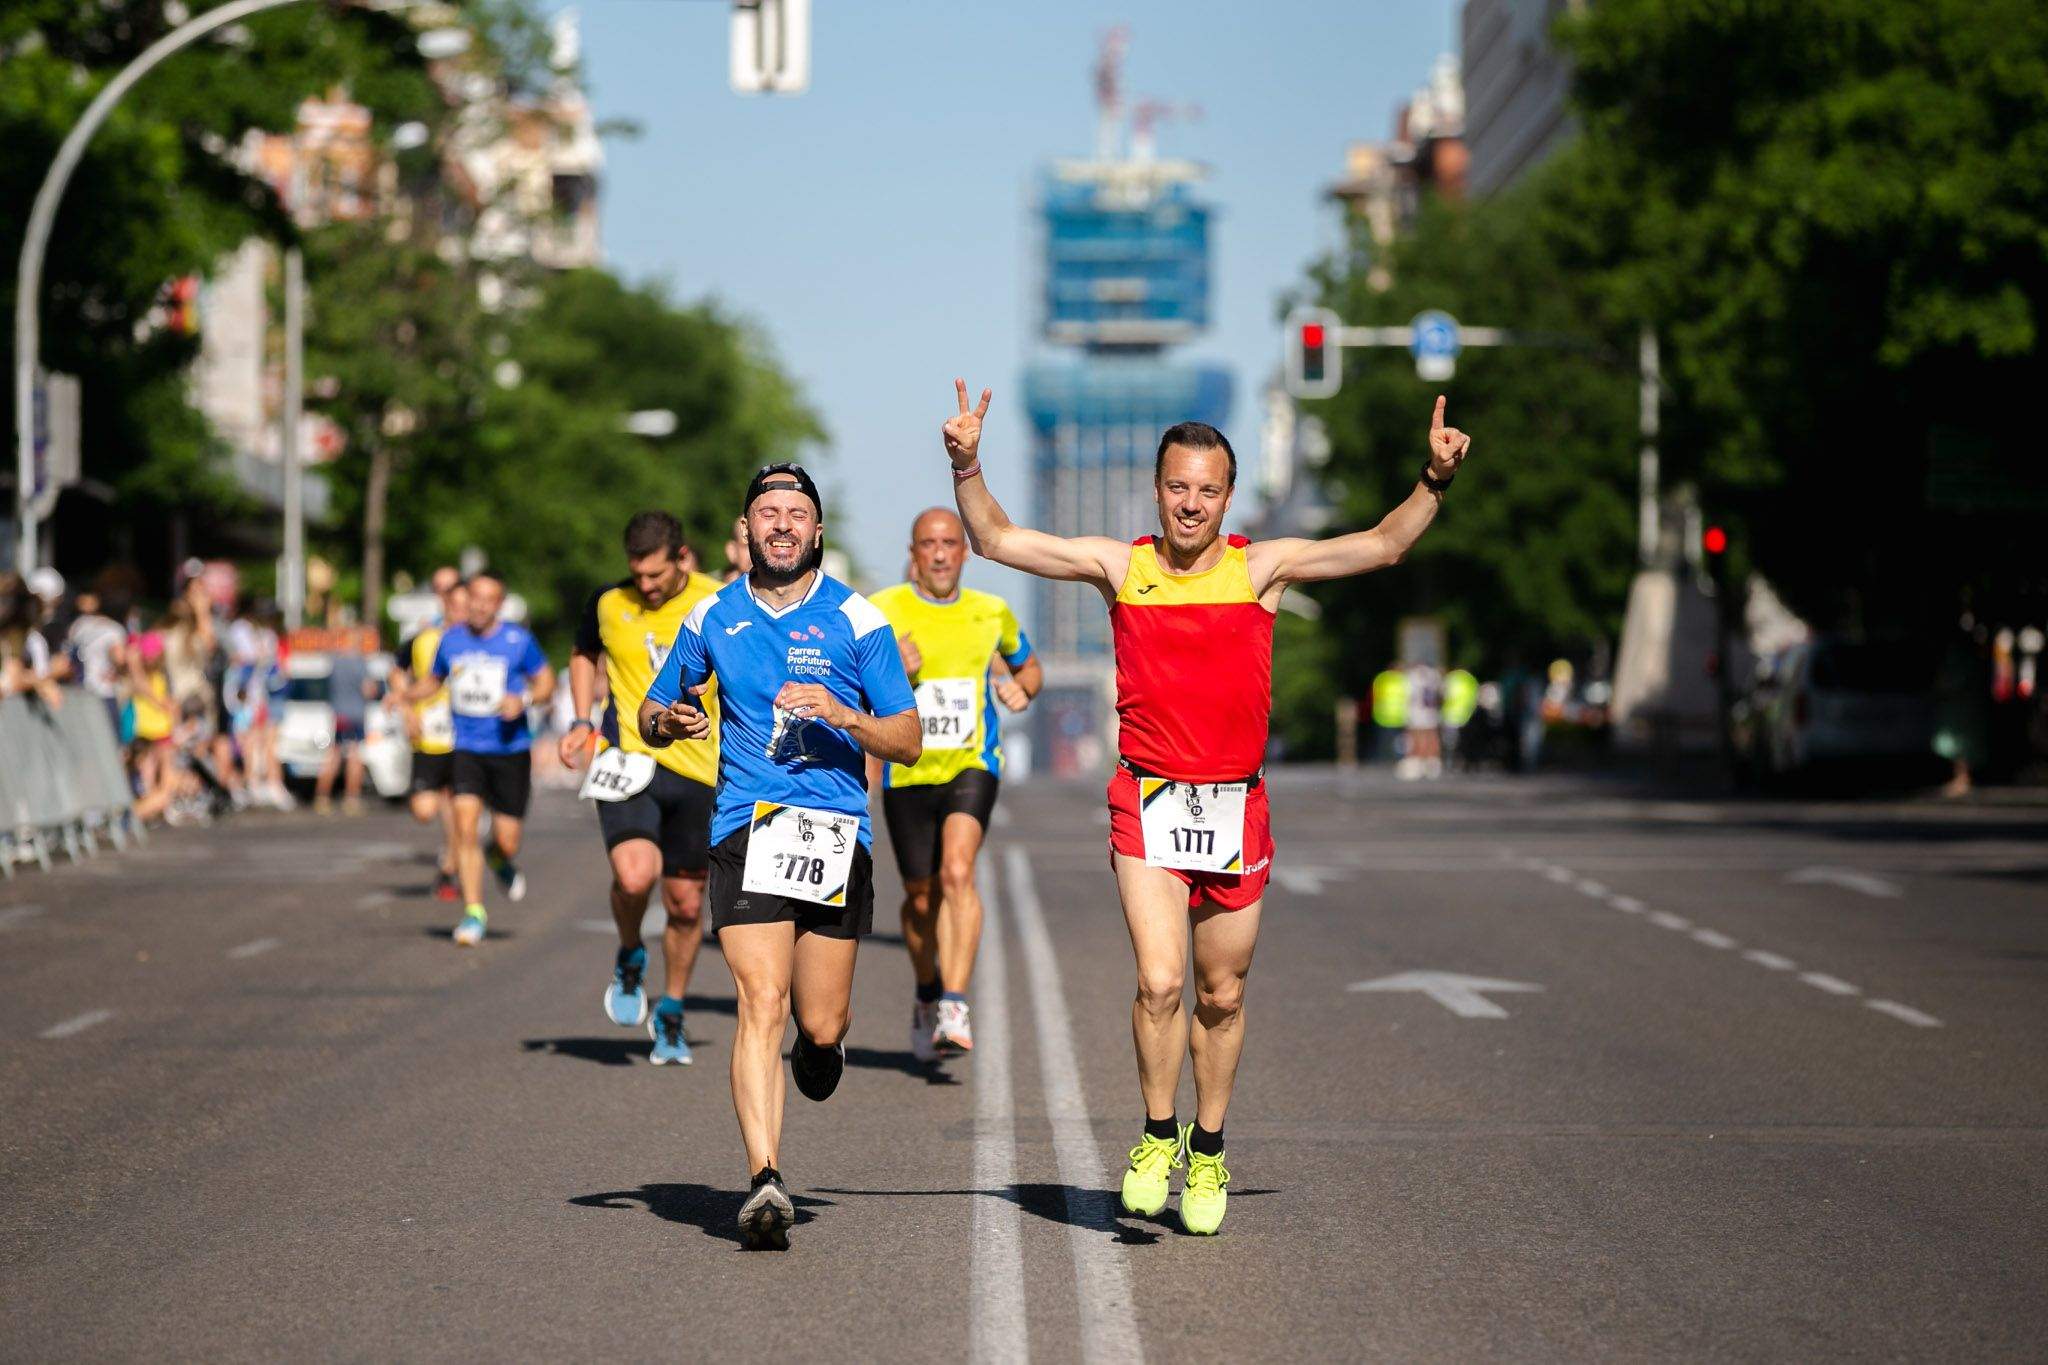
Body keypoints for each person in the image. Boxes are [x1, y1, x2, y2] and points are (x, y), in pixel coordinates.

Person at [941, 378, 1471, 1235]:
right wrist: (967, 463)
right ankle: (1157, 1135)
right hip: (1147, 800)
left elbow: (1381, 545)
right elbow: (997, 538)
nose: (1192, 504)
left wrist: (1433, 481)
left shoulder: (1260, 569)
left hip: (1235, 806)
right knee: (1160, 980)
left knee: (1220, 994)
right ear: (1157, 490)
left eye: (1209, 490)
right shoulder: (1123, 567)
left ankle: (1211, 1146)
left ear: (1228, 496)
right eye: (1178, 487)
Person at [638, 463, 920, 1249]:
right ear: (746, 530)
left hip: (835, 831)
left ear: (817, 530)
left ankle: (823, 1045)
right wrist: (671, 721)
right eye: (768, 512)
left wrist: (842, 712)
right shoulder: (711, 616)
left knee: (818, 1020)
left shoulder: (857, 619)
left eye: (797, 512)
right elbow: (652, 709)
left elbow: (908, 733)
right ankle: (764, 1177)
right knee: (759, 998)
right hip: (745, 824)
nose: (783, 524)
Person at [869, 507, 1040, 1060]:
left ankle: (955, 1001)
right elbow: (842, 679)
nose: (940, 553)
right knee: (921, 900)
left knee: (958, 871)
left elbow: (1029, 666)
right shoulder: (881, 611)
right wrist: (890, 667)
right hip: (908, 768)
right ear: (914, 553)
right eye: (928, 544)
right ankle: (925, 991)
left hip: (972, 763)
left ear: (964, 552)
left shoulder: (991, 612)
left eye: (949, 543)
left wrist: (1023, 690)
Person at [563, 512, 725, 1066]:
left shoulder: (720, 602)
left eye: (656, 575)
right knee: (635, 875)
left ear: (682, 558)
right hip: (628, 759)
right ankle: (631, 952)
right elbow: (585, 653)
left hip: (701, 770)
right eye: (638, 575)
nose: (646, 586)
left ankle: (673, 1008)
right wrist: (582, 720)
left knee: (684, 906)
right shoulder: (610, 602)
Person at [414, 572, 555, 946]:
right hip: (467, 750)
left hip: (510, 751)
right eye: (474, 597)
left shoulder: (518, 641)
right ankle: (473, 911)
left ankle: (498, 857)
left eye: (488, 599)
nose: (478, 604)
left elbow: (545, 684)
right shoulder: (451, 639)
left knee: (507, 841)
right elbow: (434, 680)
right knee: (464, 826)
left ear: (499, 604)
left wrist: (521, 701)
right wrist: (406, 695)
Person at [394, 570, 466, 899]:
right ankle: (457, 852)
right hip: (429, 733)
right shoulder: (424, 636)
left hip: (464, 735)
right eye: (442, 592)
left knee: (454, 804)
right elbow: (398, 671)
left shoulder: (481, 639)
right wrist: (406, 708)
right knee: (424, 809)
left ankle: (451, 868)